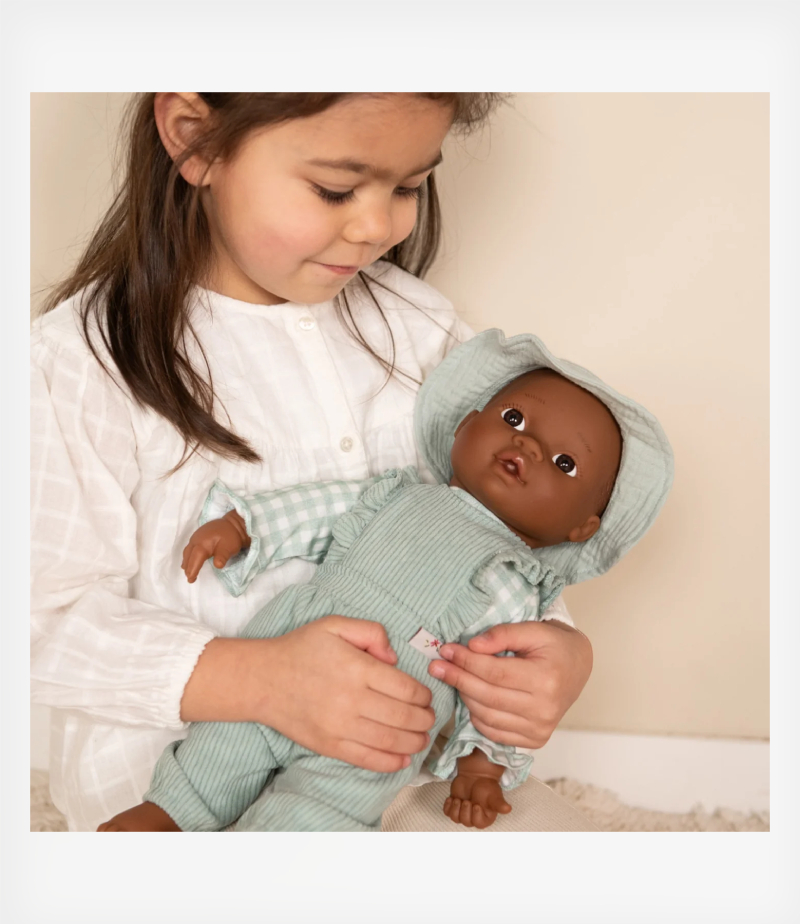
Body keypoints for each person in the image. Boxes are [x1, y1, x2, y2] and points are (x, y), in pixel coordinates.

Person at [31, 93, 595, 833]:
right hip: (170, 785)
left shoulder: (423, 332)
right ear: (195, 138)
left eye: (408, 186)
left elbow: (497, 532)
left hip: (390, 773)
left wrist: (559, 652)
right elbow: (40, 620)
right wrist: (264, 680)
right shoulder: (82, 362)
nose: (376, 227)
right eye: (335, 189)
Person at [96, 330, 673, 832]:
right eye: (513, 419)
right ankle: (171, 813)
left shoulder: (515, 582)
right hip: (289, 648)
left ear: (581, 529)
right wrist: (246, 527)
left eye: (565, 464)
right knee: (226, 741)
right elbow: (317, 509)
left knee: (331, 803)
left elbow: (500, 682)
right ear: (465, 427)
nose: (527, 445)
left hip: (388, 715)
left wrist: (482, 765)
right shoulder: (397, 494)